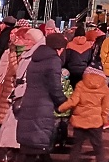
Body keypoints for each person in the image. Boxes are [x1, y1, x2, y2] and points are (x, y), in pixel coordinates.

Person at [15, 30, 69, 161]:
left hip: (29, 102)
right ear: (59, 48)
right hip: (43, 106)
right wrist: (64, 103)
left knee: (30, 148)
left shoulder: (35, 58)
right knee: (38, 146)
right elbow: (55, 87)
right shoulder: (54, 60)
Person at [0, 26, 32, 161]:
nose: (15, 39)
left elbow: (19, 72)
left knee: (13, 126)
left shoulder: (30, 54)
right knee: (4, 125)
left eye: (19, 37)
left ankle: (10, 155)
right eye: (14, 35)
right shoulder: (9, 52)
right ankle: (2, 154)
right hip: (6, 91)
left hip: (19, 94)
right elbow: (1, 70)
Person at [58, 66, 109, 162]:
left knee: (77, 146)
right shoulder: (104, 88)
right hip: (95, 121)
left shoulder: (81, 84)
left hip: (80, 120)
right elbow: (105, 107)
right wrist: (104, 119)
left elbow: (73, 101)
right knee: (98, 147)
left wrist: (60, 108)